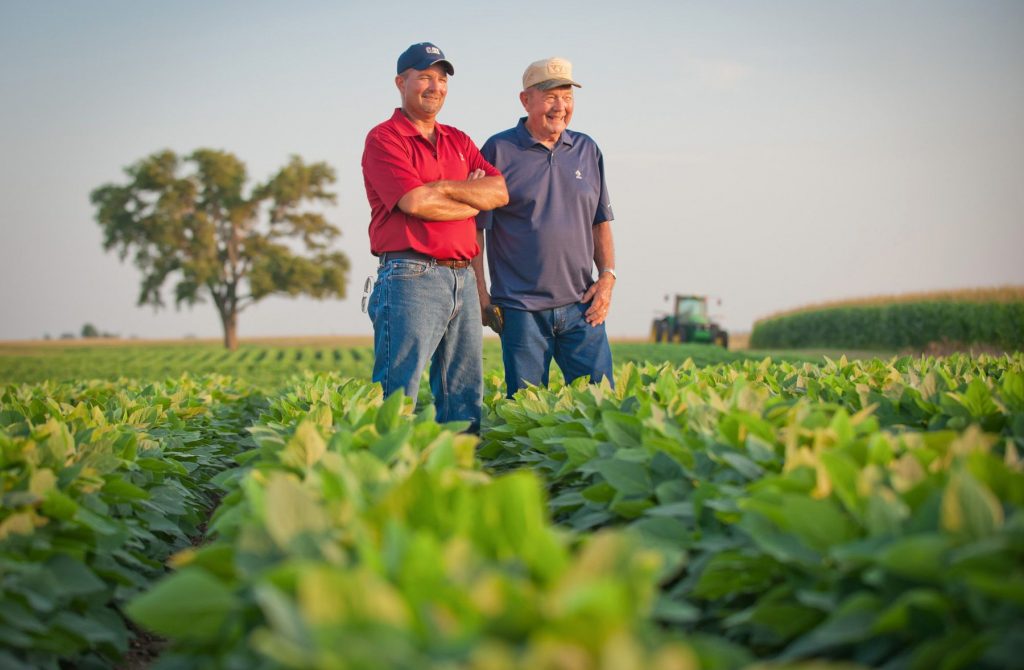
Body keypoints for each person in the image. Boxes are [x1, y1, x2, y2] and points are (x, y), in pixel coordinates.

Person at [362, 42, 508, 431]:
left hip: (462, 276)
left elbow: (500, 191)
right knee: (397, 391)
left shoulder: (458, 139)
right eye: (425, 76)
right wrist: (468, 196)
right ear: (401, 81)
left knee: (463, 394)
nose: (435, 86)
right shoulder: (384, 139)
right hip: (412, 275)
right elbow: (414, 201)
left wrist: (443, 191)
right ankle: (387, 479)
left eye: (442, 79)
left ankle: (458, 477)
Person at [473, 57, 616, 397]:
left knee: (602, 407)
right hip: (521, 312)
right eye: (550, 96)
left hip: (583, 307)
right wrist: (480, 293)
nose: (560, 106)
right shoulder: (498, 150)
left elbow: (601, 221)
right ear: (526, 100)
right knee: (526, 415)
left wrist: (608, 276)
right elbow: (476, 228)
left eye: (567, 96)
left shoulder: (588, 150)